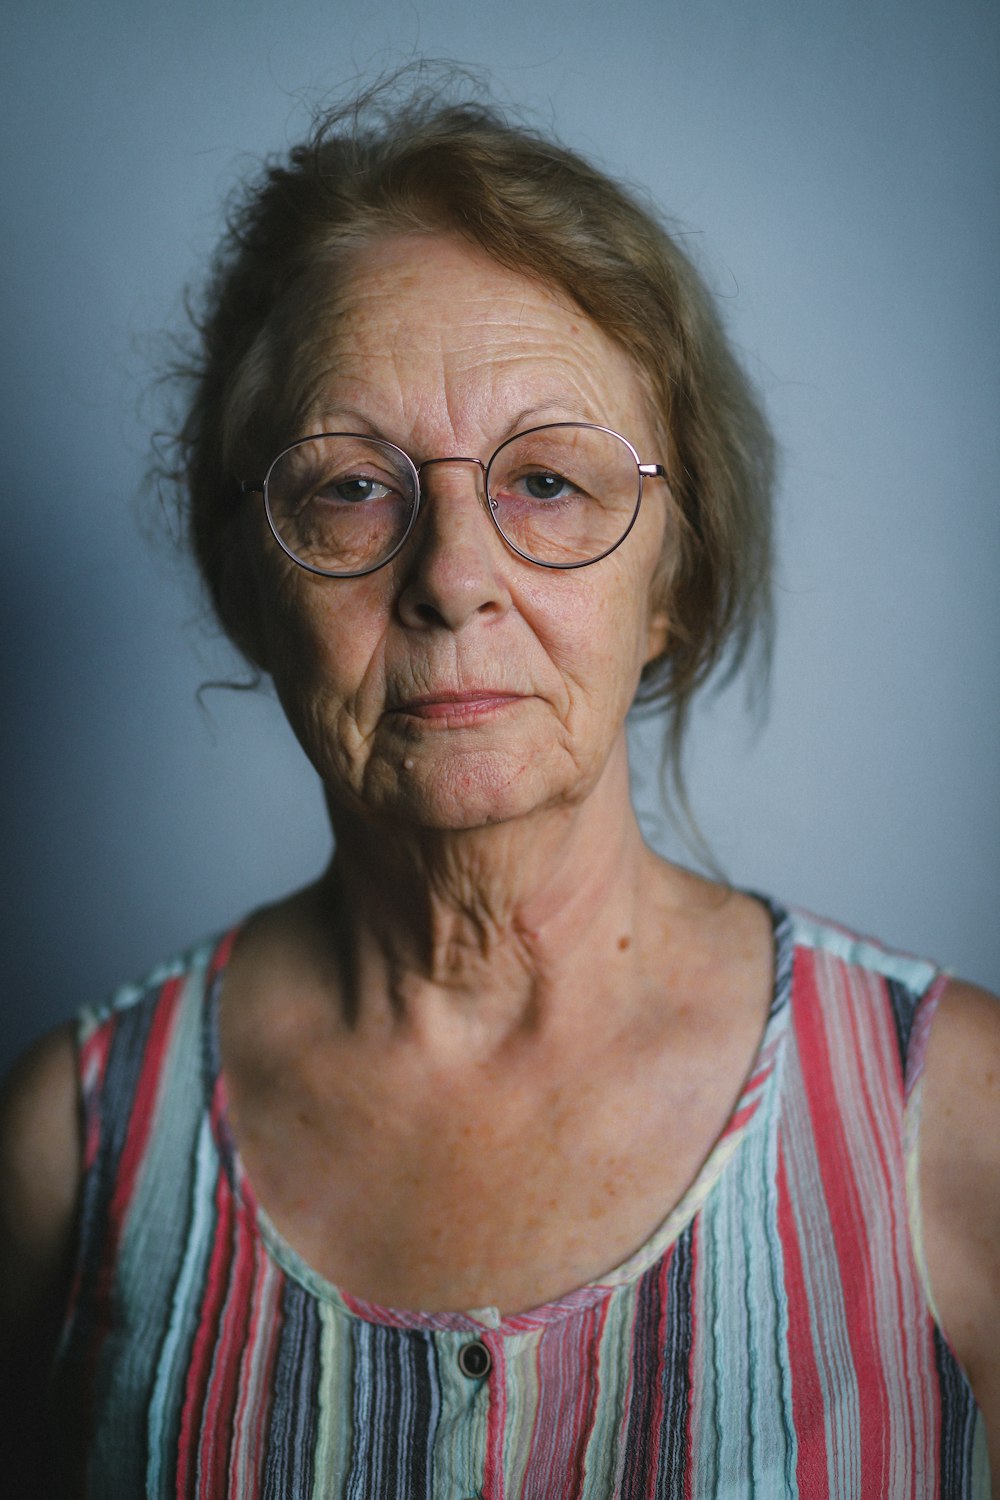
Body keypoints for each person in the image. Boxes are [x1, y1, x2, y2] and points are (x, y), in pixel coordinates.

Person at [1, 81, 997, 1498]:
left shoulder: (959, 1124)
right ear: (248, 583)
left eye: (547, 482)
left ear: (676, 583)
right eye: (350, 486)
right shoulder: (67, 1152)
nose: (455, 575)